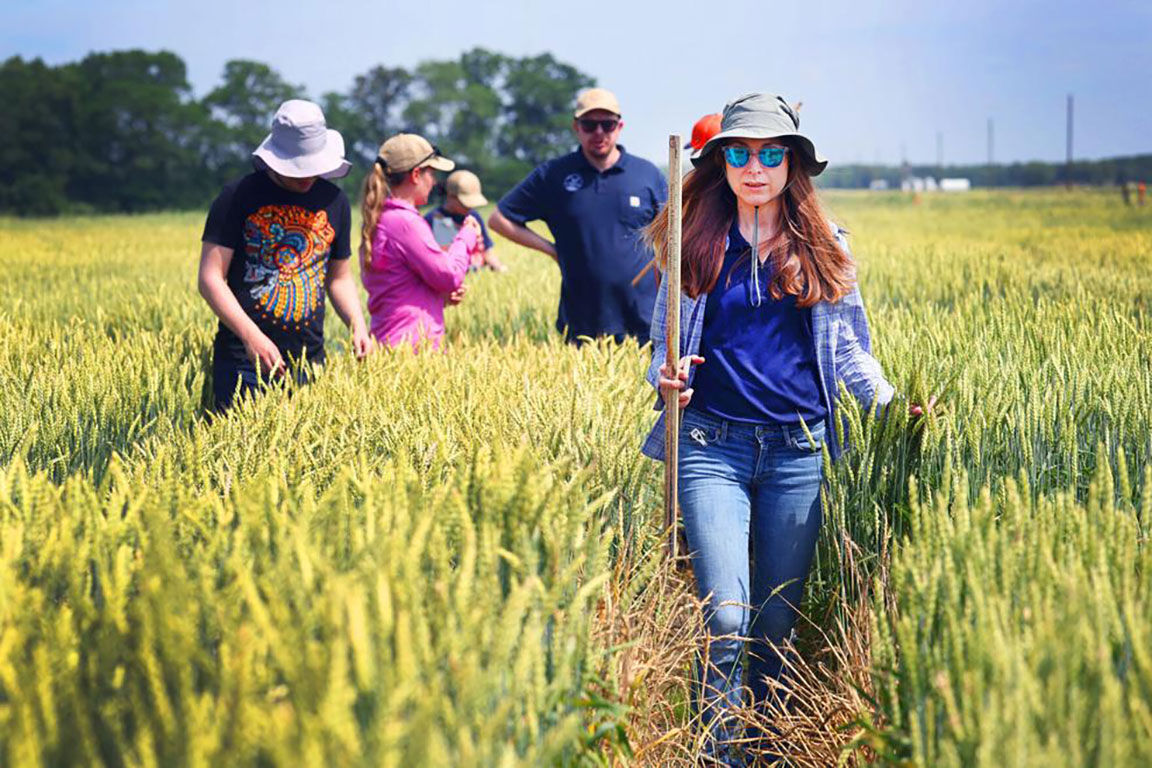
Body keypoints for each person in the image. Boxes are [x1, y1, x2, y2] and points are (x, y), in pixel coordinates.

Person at [641, 92, 932, 765]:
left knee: (775, 620)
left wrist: (892, 406)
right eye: (738, 153)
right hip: (711, 444)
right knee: (725, 616)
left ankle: (770, 747)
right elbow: (661, 347)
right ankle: (720, 752)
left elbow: (851, 352)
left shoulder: (827, 246)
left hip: (799, 452)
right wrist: (666, 380)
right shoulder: (693, 240)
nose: (753, 166)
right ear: (720, 163)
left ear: (792, 164)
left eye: (769, 153)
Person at [198, 99, 370, 411]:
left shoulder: (335, 201)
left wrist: (357, 323)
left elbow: (339, 278)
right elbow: (211, 279)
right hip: (243, 361)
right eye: (298, 168)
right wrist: (252, 338)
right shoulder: (238, 196)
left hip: (308, 361)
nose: (307, 177)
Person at [489, 87, 667, 344]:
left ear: (620, 126)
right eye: (589, 125)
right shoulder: (554, 175)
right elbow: (499, 219)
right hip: (582, 319)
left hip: (644, 318)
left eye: (607, 124)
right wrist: (551, 250)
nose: (599, 133)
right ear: (576, 127)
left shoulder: (646, 174)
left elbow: (673, 236)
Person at [360, 133, 481, 351]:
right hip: (412, 348)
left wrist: (439, 297)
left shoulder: (384, 218)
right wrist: (467, 236)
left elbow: (401, 288)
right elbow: (449, 275)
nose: (434, 182)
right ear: (416, 174)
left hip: (392, 342)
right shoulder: (405, 222)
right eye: (431, 173)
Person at [425, 170, 505, 271]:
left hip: (479, 271)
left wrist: (500, 268)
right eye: (465, 203)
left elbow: (487, 251)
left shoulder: (474, 216)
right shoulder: (434, 219)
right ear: (450, 196)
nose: (469, 207)